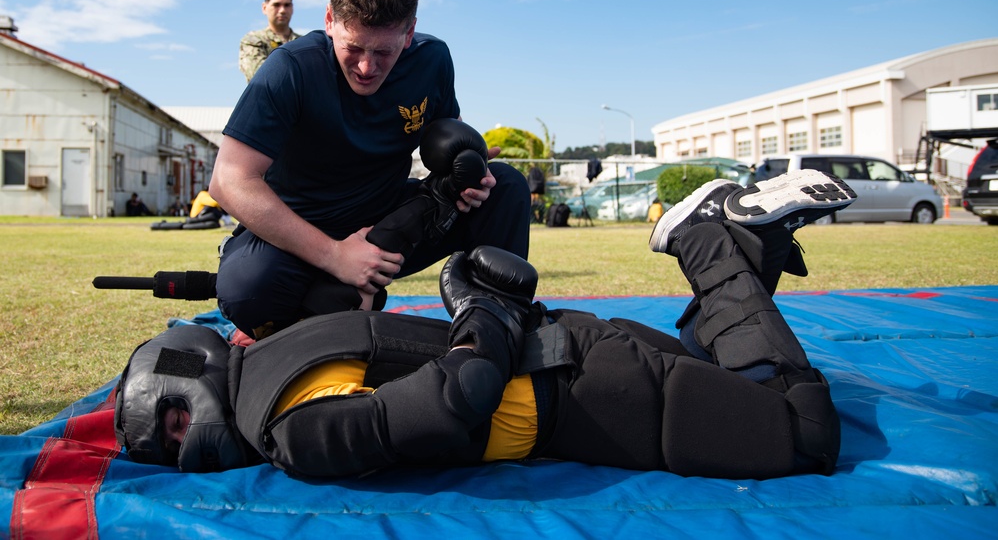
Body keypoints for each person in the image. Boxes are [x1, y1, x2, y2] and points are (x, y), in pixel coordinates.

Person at [115, 169, 856, 480]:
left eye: (175, 423)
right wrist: (484, 310)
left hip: (589, 398)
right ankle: (745, 249)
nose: (187, 448)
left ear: (196, 368)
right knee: (730, 374)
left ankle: (707, 243)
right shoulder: (283, 346)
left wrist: (482, 312)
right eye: (171, 446)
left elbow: (459, 394)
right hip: (573, 353)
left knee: (808, 433)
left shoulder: (288, 430)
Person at [210, 0, 530, 338]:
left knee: (507, 186)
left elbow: (449, 138)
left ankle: (496, 332)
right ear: (330, 20)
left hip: (386, 221)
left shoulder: (432, 59)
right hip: (303, 224)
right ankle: (319, 304)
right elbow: (229, 180)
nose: (366, 67)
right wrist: (337, 257)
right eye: (354, 48)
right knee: (246, 291)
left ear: (409, 32)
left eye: (384, 51)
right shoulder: (290, 68)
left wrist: (469, 177)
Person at [239, 0, 301, 81]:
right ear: (264, 8)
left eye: (287, 5)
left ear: (292, 8)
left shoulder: (303, 42)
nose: (282, 10)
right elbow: (262, 77)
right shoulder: (253, 40)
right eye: (276, 5)